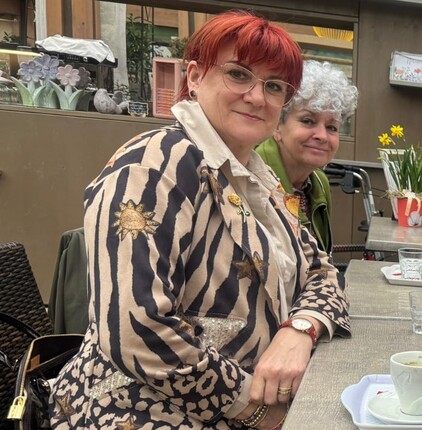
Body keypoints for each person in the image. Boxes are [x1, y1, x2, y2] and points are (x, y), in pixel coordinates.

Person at [50, 11, 351, 429]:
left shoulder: (253, 179)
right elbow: (135, 331)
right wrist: (253, 407)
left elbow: (323, 272)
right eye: (239, 75)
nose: (257, 96)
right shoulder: (153, 168)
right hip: (140, 409)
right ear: (194, 77)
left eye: (274, 86)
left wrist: (299, 331)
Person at [256, 60, 358, 256]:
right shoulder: (253, 177)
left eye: (332, 127)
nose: (322, 135)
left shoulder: (319, 182)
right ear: (278, 125)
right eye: (307, 121)